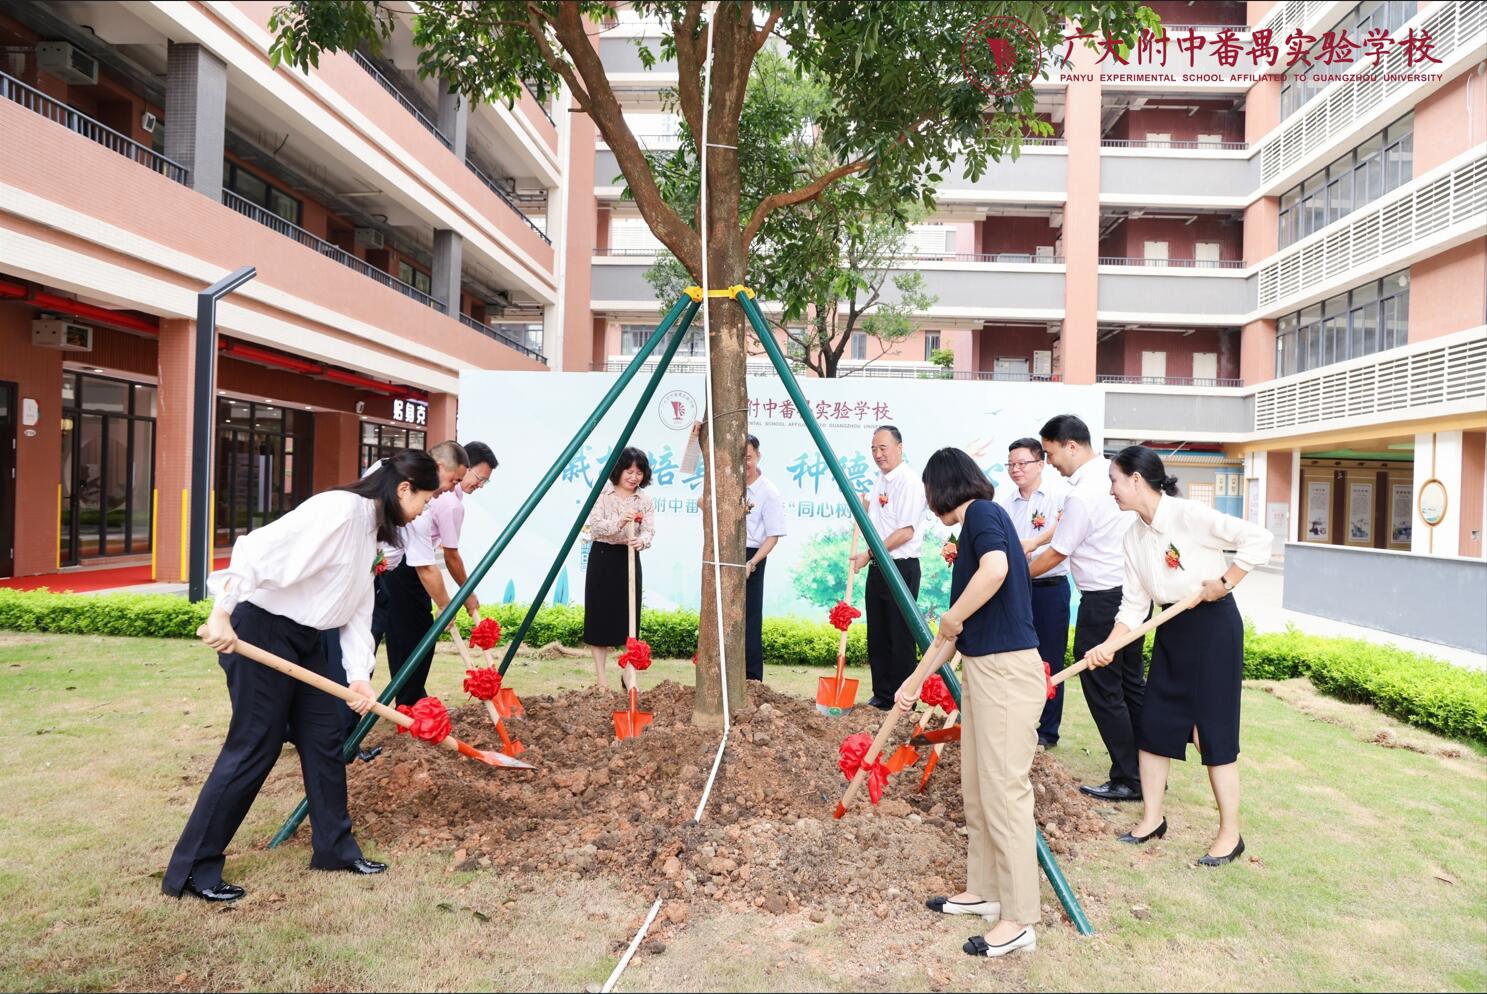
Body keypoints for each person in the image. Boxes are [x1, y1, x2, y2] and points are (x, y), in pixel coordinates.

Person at [163, 450, 442, 903]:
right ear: (404, 489)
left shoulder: (372, 529)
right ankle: (193, 868)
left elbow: (356, 607)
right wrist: (222, 614)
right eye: (424, 501)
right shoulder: (337, 510)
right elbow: (256, 549)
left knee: (324, 736)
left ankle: (333, 848)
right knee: (256, 743)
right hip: (263, 629)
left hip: (308, 639)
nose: (424, 510)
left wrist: (358, 676)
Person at [1083, 446, 1272, 866]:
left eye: (1114, 480)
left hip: (1212, 627)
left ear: (1136, 480)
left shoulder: (1189, 516)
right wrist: (1109, 645)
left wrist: (1225, 581)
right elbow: (1133, 606)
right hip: (1171, 627)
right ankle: (1152, 819)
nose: (1111, 490)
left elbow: (1259, 539)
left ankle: (1230, 834)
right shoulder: (1132, 536)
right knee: (1155, 723)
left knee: (1212, 732)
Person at [904, 447, 1043, 960]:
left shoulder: (984, 513)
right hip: (984, 672)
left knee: (1006, 791)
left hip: (1008, 671)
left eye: (927, 492)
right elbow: (952, 635)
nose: (927, 502)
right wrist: (915, 681)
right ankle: (985, 891)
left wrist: (953, 616)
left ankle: (1020, 918)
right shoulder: (971, 531)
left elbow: (997, 571)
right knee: (978, 786)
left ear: (943, 486)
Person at [1032, 414, 1142, 803]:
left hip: (1104, 601)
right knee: (1130, 686)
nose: (1050, 463)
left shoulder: (1083, 492)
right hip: (1130, 597)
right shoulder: (1109, 478)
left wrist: (1013, 576)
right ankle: (1148, 770)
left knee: (1103, 687)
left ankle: (1130, 777)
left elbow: (1059, 552)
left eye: (1050, 453)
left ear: (1071, 446)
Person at [382, 440, 469, 707]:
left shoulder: (395, 477)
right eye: (453, 480)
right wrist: (447, 605)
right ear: (439, 467)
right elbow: (427, 566)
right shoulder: (417, 509)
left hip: (379, 572)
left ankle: (410, 701)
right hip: (373, 575)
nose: (453, 489)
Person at [998, 437, 1071, 749]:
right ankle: (1018, 724)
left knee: (1050, 659)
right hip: (1017, 590)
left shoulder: (1060, 497)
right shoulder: (1005, 503)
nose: (1016, 470)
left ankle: (1047, 731)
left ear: (1040, 464)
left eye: (1022, 463)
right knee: (1016, 658)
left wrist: (1035, 542)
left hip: (1050, 589)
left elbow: (1064, 530)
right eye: (1011, 464)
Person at [850, 425, 929, 710]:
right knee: (879, 632)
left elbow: (905, 532)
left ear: (899, 447)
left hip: (901, 567)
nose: (878, 454)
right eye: (873, 449)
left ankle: (902, 699)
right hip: (880, 565)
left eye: (883, 448)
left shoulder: (908, 482)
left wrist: (868, 553)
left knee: (900, 635)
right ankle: (882, 694)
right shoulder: (881, 481)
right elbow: (880, 520)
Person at [584, 447, 655, 691]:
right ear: (618, 470)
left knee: (629, 620)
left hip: (629, 558)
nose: (634, 477)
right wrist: (619, 522)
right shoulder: (602, 493)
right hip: (602, 557)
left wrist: (642, 541)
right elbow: (594, 527)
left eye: (639, 472)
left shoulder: (644, 499)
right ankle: (602, 680)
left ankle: (629, 676)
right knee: (598, 618)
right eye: (629, 471)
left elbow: (649, 530)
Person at [743, 434, 787, 681]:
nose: (744, 462)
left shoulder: (768, 492)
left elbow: (773, 536)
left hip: (753, 556)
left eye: (748, 457)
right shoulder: (728, 483)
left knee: (750, 619)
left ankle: (752, 678)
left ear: (758, 455)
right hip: (727, 553)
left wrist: (752, 562)